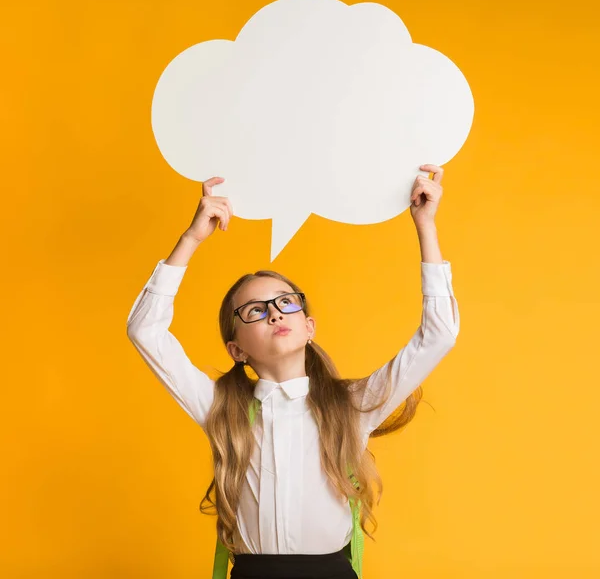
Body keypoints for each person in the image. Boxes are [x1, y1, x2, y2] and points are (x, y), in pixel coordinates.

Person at [126, 165, 460, 579]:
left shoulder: (352, 404)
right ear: (237, 350)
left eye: (286, 302)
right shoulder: (221, 407)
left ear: (308, 326)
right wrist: (191, 239)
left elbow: (439, 335)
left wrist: (425, 227)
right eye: (254, 310)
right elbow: (145, 329)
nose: (273, 313)